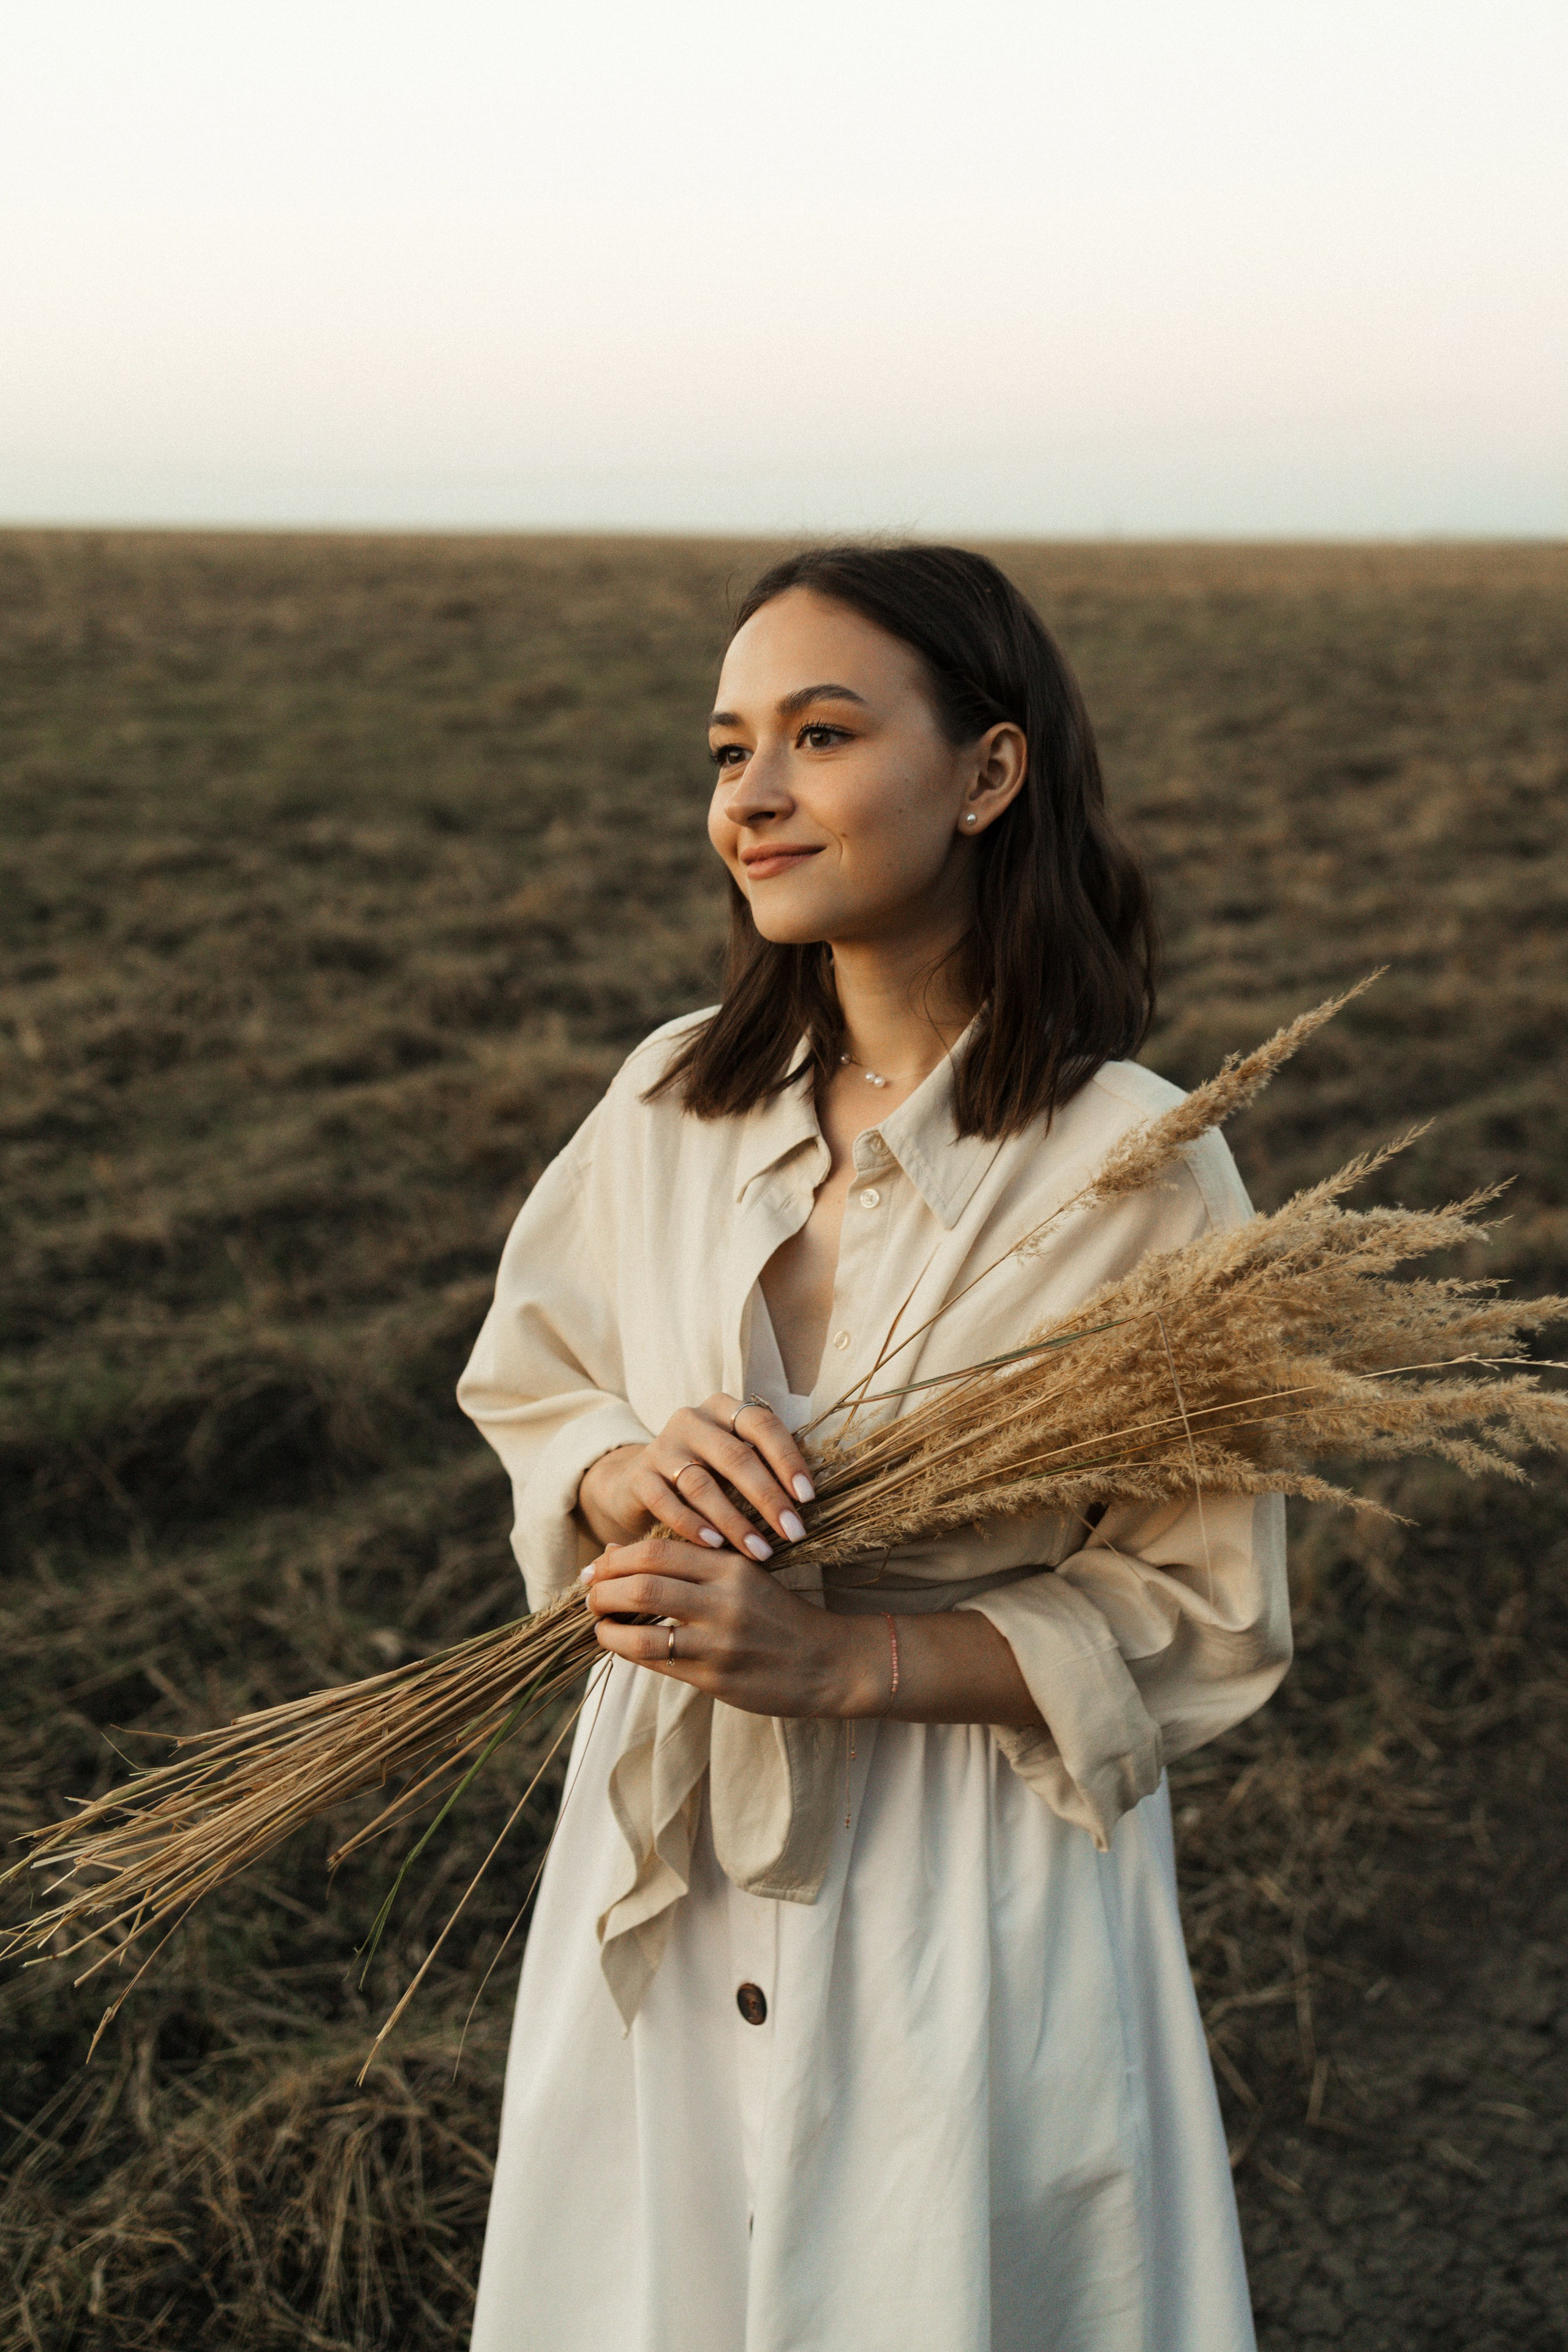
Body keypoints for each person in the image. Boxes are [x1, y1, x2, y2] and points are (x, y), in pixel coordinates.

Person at [457, 544, 1291, 2352]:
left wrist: (848, 1660)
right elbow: (539, 1373)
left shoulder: (1132, 1162)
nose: (751, 797)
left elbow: (1205, 1610)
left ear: (988, 774)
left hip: (962, 1879)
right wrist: (621, 1472)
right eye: (725, 749)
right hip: (663, 1855)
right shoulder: (674, 1097)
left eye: (819, 737)